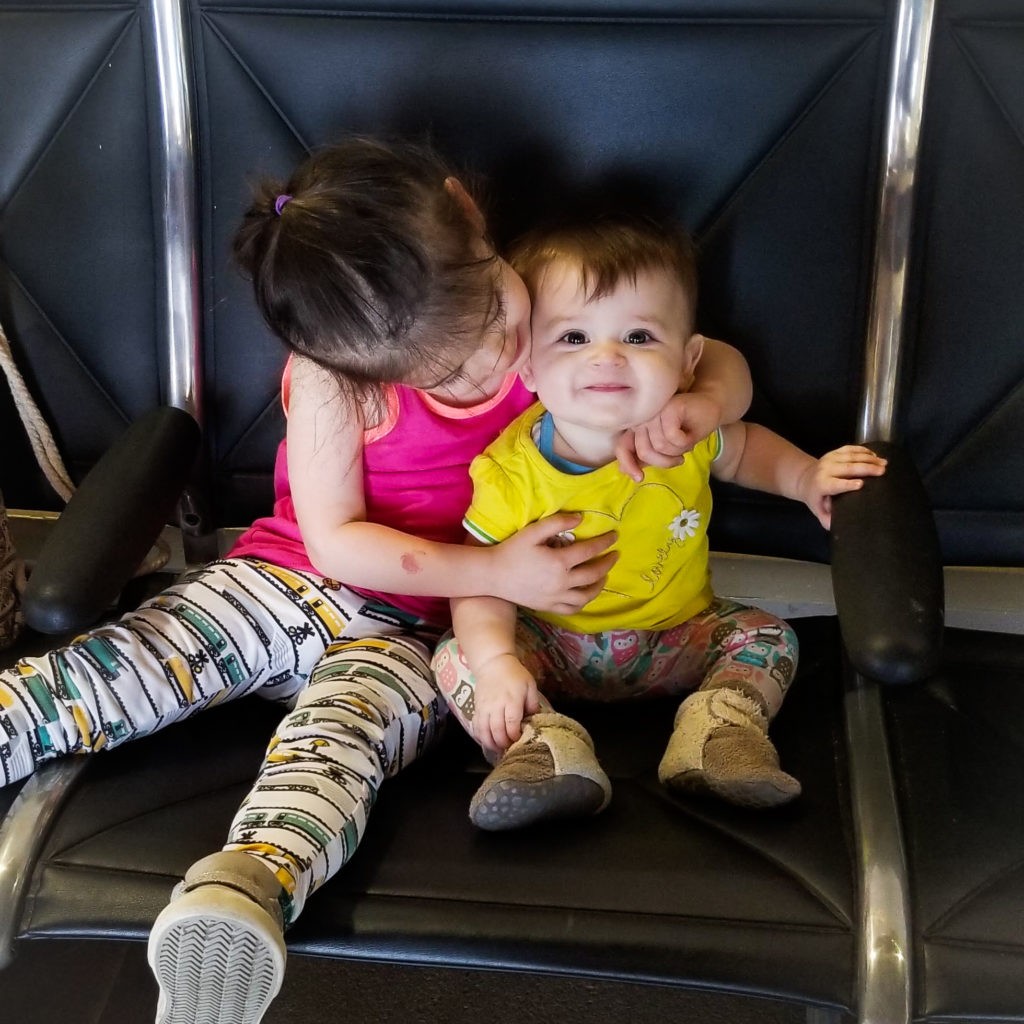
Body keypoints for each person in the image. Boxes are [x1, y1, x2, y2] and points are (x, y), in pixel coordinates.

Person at [0, 139, 753, 1024]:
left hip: (421, 638)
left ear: (469, 214)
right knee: (133, 664)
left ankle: (245, 892)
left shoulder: (557, 319)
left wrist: (698, 408)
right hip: (288, 581)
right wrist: (498, 568)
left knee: (343, 743)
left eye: (495, 326)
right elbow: (339, 543)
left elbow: (714, 362)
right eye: (448, 368)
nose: (490, 359)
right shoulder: (332, 374)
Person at [431, 214, 888, 830]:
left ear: (688, 360)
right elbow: (480, 580)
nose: (607, 356)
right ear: (528, 368)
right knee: (456, 655)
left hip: (676, 637)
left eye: (641, 337)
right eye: (572, 338)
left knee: (771, 636)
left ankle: (716, 734)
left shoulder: (684, 432)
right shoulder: (510, 473)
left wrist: (808, 479)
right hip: (552, 647)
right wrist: (496, 665)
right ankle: (544, 750)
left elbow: (747, 448)